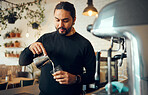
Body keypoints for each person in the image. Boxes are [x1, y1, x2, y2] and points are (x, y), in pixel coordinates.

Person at [19, 1, 96, 95]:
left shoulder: (84, 44)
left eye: (65, 20)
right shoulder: (45, 39)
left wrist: (75, 79)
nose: (60, 25)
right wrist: (30, 48)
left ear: (74, 19)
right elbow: (22, 62)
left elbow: (91, 76)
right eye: (57, 20)